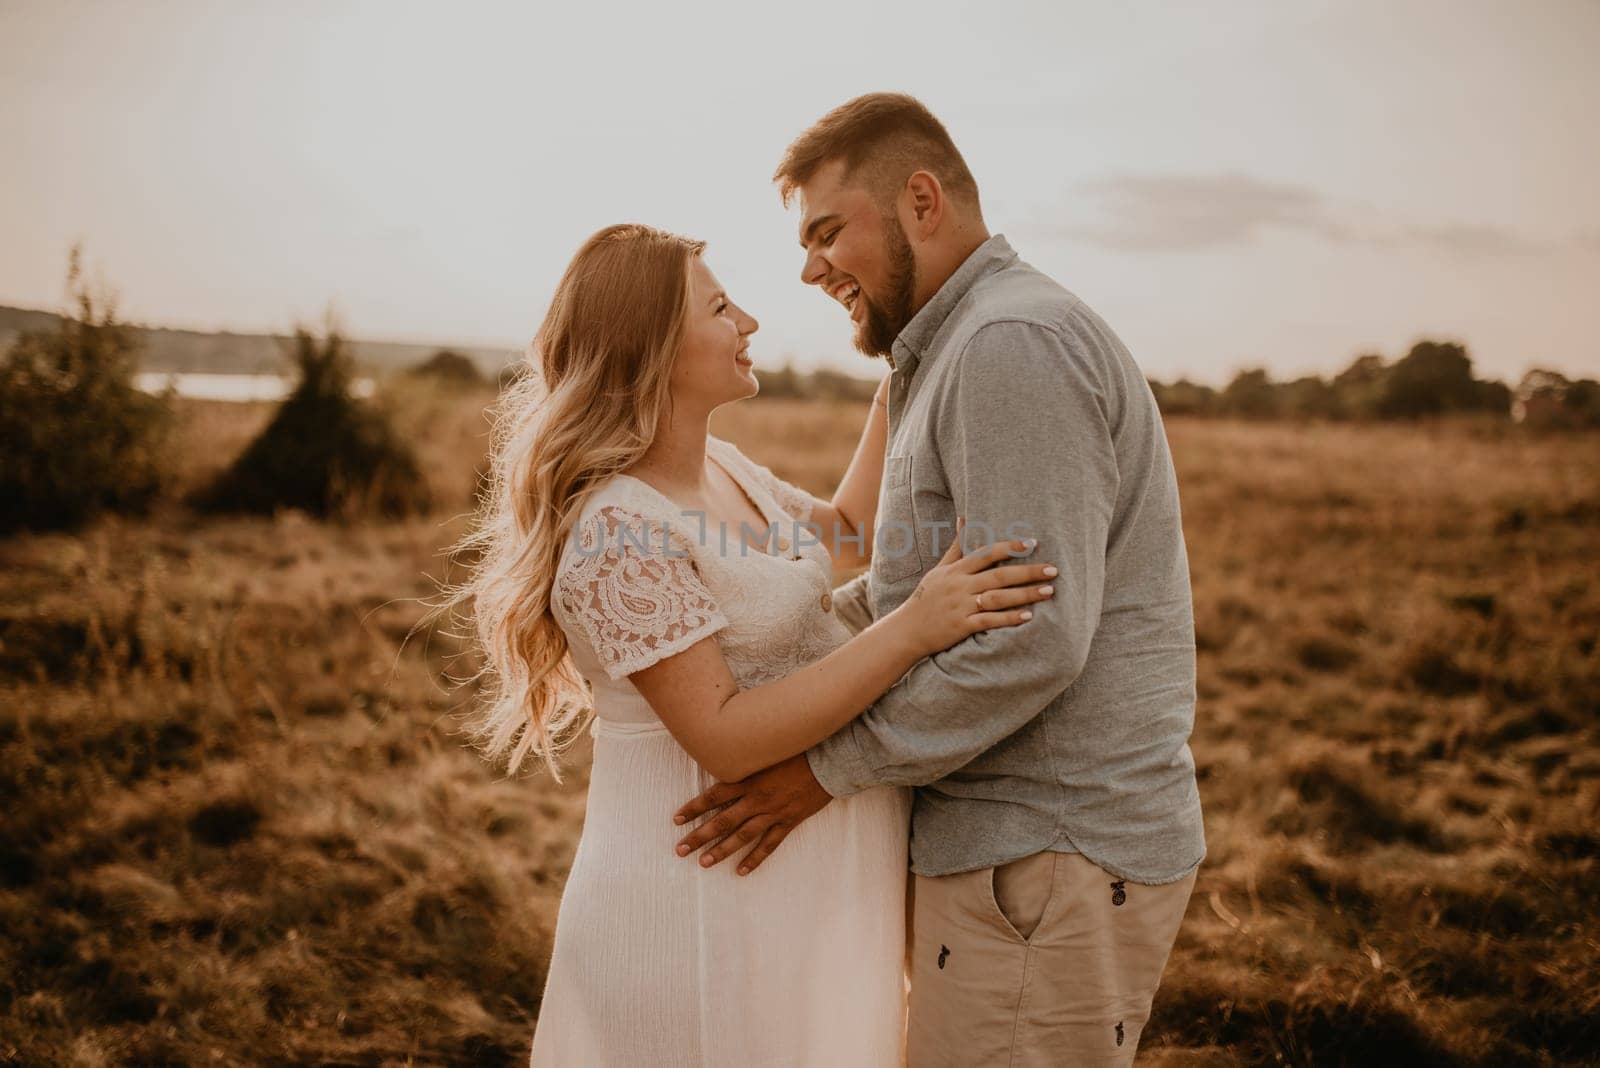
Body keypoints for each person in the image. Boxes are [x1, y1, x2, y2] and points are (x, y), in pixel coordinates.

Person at [438, 221, 1060, 1066]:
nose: (750, 323)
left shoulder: (722, 467)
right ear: (652, 346)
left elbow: (844, 534)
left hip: (806, 896)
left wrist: (900, 378)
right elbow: (724, 735)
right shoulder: (620, 527)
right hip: (699, 902)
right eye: (721, 307)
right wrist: (913, 628)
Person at [672, 93, 1208, 1067]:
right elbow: (894, 586)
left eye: (827, 231)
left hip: (1043, 856)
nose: (807, 268)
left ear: (921, 200)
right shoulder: (946, 353)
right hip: (1008, 857)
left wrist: (821, 771)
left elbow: (1030, 638)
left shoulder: (1010, 346)